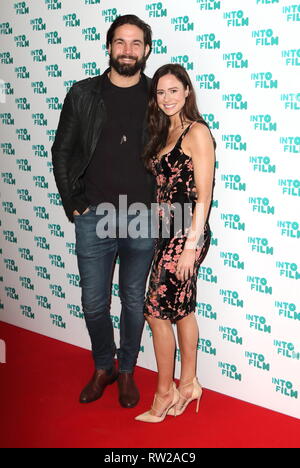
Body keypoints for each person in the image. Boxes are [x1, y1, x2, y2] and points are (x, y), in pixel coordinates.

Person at [52, 15, 156, 409]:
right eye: (120, 42)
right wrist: (73, 203)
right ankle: (103, 366)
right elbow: (61, 151)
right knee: (94, 302)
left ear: (146, 50)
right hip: (94, 215)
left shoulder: (157, 96)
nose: (127, 50)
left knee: (133, 300)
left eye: (135, 43)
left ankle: (126, 369)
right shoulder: (83, 94)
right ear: (108, 47)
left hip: (142, 216)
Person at [135, 64, 216, 423]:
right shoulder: (165, 131)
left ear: (187, 91)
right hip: (166, 233)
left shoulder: (196, 132)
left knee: (154, 312)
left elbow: (204, 195)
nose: (166, 98)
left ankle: (164, 393)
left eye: (173, 90)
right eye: (160, 92)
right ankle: (189, 384)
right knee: (181, 308)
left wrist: (189, 247)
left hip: (186, 234)